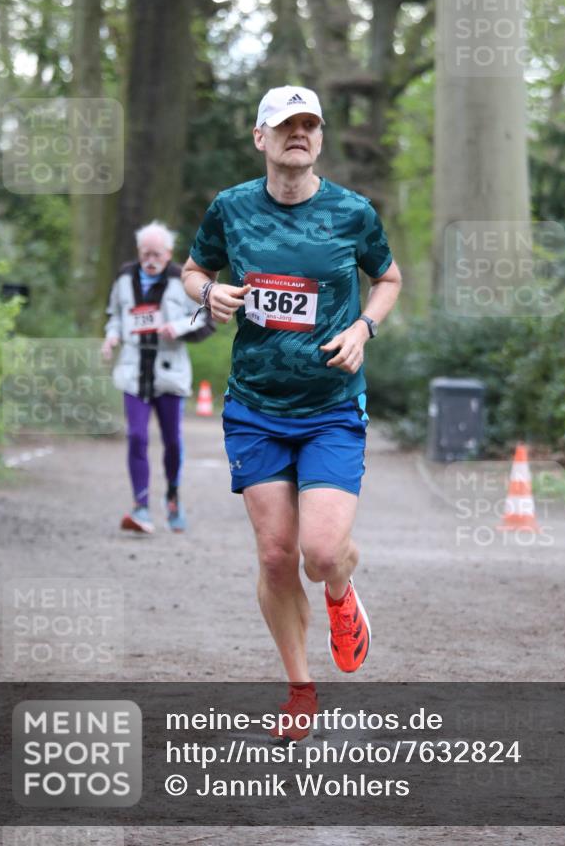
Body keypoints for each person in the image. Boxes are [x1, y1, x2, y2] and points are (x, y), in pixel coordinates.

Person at [182, 86, 401, 736]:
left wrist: (363, 328)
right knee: (276, 555)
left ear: (320, 139)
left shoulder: (350, 212)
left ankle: (340, 590)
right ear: (261, 138)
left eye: (309, 125)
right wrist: (209, 292)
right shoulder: (231, 208)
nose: (297, 134)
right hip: (255, 406)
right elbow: (194, 270)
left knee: (321, 551)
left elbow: (387, 278)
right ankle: (300, 688)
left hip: (331, 405)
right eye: (285, 125)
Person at [102, 221, 215, 534]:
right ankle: (140, 507)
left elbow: (204, 314)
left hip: (170, 371)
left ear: (168, 254)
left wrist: (176, 328)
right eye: (145, 253)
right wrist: (111, 337)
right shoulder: (125, 277)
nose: (150, 259)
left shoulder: (183, 279)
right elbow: (114, 316)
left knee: (171, 442)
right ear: (139, 252)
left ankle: (173, 498)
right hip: (133, 370)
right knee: (136, 436)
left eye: (157, 254)